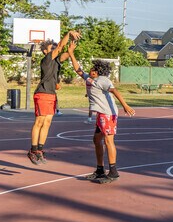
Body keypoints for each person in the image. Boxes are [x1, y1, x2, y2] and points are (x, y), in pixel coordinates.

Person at [68, 41, 135, 183]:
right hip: (101, 114)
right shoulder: (90, 79)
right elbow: (77, 69)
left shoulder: (103, 80)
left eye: (93, 68)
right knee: (96, 140)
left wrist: (125, 105)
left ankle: (113, 172)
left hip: (108, 114)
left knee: (109, 141)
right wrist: (71, 53)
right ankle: (100, 170)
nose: (90, 70)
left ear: (97, 71)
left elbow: (115, 90)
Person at [28, 30, 80, 165]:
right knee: (39, 122)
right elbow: (60, 47)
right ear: (46, 51)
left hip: (51, 94)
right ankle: (33, 150)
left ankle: (39, 150)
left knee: (47, 123)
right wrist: (69, 33)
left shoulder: (57, 60)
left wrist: (72, 47)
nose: (55, 47)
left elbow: (66, 54)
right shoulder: (46, 59)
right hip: (42, 93)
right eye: (52, 47)